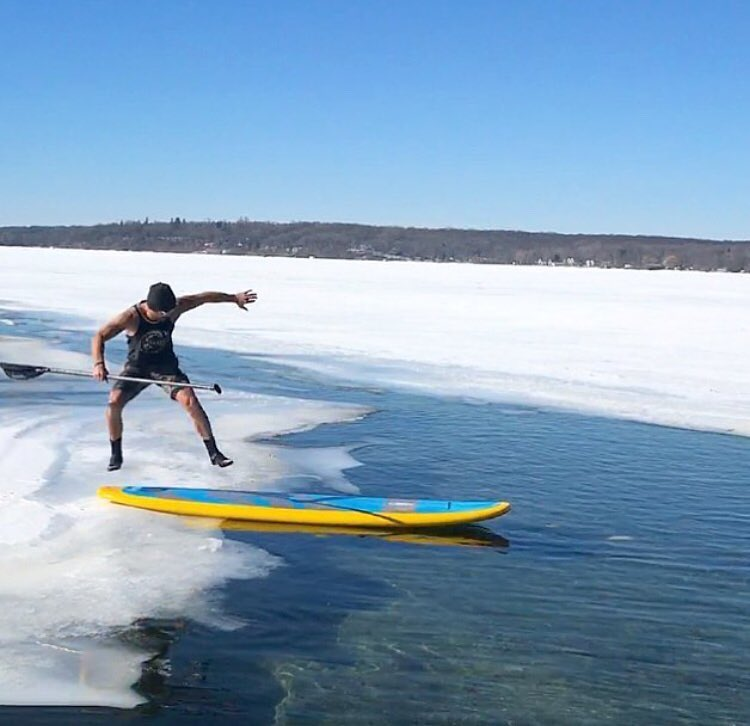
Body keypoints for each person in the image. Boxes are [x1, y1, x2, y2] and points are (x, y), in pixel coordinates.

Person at [91, 282, 257, 471]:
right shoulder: (130, 317)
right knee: (114, 402)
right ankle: (116, 453)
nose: (167, 316)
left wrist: (234, 298)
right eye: (162, 313)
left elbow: (203, 297)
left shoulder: (175, 307)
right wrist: (98, 364)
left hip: (165, 368)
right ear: (151, 308)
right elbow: (99, 336)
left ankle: (214, 453)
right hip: (137, 368)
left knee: (190, 401)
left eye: (169, 312)